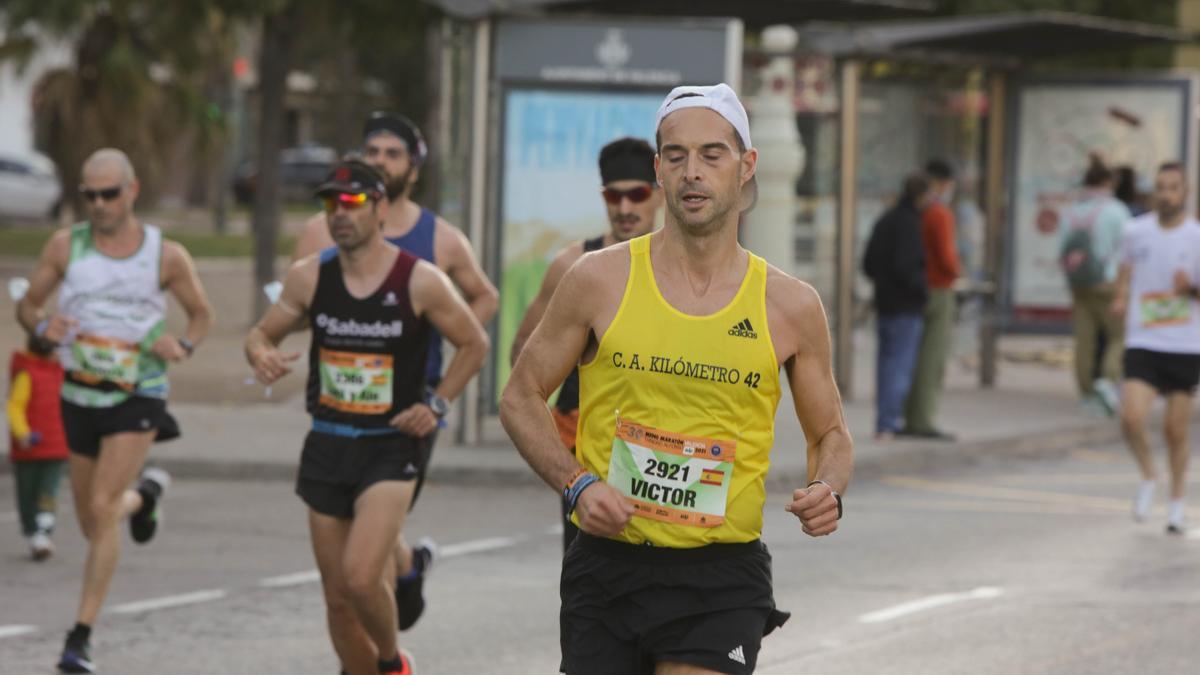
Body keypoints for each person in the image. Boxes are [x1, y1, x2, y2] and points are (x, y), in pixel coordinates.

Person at [501, 83, 852, 675]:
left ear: (746, 166)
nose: (693, 172)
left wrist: (830, 488)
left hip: (720, 577)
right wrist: (575, 485)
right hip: (606, 569)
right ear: (658, 169)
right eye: (676, 155)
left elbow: (831, 433)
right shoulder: (597, 279)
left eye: (712, 155)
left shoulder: (790, 305)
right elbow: (520, 396)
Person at [246, 160, 488, 674]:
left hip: (391, 442)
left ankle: (391, 662)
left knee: (360, 577)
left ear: (380, 208)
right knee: (337, 598)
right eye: (332, 203)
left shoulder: (420, 280)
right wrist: (260, 353)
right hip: (328, 440)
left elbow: (474, 343)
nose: (340, 214)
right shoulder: (310, 276)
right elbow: (261, 333)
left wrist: (437, 404)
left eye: (353, 202)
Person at [292, 112, 498, 627]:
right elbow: (291, 297)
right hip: (340, 407)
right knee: (369, 534)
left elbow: (484, 298)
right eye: (373, 152)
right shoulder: (323, 228)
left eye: (393, 154)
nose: (381, 162)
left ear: (413, 167)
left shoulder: (440, 238)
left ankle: (371, 645)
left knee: (368, 543)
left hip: (410, 406)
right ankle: (407, 569)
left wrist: (430, 337)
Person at [16, 148, 213, 673]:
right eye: (90, 195)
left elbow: (200, 314)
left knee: (101, 509)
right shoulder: (66, 246)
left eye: (108, 193)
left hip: (138, 392)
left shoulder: (164, 255)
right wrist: (41, 328)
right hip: (79, 392)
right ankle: (145, 497)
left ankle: (80, 637)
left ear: (132, 191)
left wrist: (184, 346)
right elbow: (28, 305)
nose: (99, 204)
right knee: (90, 519)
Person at [509, 136, 662, 551]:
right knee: (585, 564)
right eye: (614, 195)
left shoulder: (676, 268)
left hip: (657, 441)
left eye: (638, 194)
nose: (625, 207)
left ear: (658, 195)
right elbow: (523, 350)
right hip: (583, 441)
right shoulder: (574, 264)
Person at [1112, 162, 1200, 535]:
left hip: (1184, 343)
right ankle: (1149, 474)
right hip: (1143, 338)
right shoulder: (1136, 231)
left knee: (1175, 431)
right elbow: (1125, 269)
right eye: (1160, 187)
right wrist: (1119, 297)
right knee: (1131, 418)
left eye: (1173, 188)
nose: (1165, 194)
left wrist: (1191, 290)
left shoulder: (1196, 237)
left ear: (1185, 193)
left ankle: (1177, 502)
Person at [1059, 155, 1130, 417]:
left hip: (1079, 284)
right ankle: (1108, 381)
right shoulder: (1116, 210)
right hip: (1109, 283)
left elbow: (1061, 250)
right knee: (1118, 336)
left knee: (1084, 341)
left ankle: (1087, 394)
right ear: (1107, 182)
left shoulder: (1072, 211)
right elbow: (1127, 251)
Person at [863, 173, 931, 441]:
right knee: (899, 366)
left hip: (884, 303)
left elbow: (868, 263)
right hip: (906, 306)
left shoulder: (885, 220)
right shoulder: (910, 224)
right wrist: (921, 291)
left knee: (886, 364)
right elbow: (907, 267)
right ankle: (889, 422)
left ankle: (884, 421)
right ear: (922, 195)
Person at [902, 159, 962, 440]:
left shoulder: (917, 212)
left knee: (915, 355)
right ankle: (922, 418)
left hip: (918, 288)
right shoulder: (940, 214)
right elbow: (947, 258)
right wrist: (957, 273)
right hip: (939, 288)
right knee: (932, 357)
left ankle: (911, 413)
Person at [8, 334, 69, 560]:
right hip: (29, 448)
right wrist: (23, 434)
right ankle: (32, 529)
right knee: (26, 495)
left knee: (48, 492)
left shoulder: (61, 373)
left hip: (56, 447)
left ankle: (43, 533)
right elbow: (15, 406)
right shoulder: (27, 374)